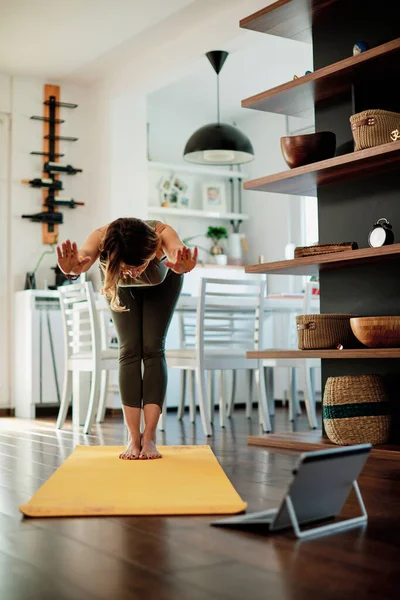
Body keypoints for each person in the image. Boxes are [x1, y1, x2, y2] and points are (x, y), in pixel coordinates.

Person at [56, 218, 198, 460]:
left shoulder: (160, 233)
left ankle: (150, 438)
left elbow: (175, 249)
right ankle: (133, 438)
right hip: (121, 288)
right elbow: (82, 256)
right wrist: (71, 268)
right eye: (126, 267)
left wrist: (182, 263)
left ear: (152, 250)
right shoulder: (103, 238)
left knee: (152, 348)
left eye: (138, 266)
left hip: (163, 284)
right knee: (130, 350)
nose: (133, 273)